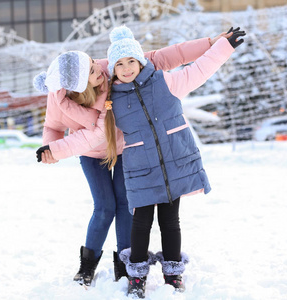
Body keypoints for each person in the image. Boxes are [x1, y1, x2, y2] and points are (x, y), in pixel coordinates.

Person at [33, 30, 233, 286]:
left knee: (128, 204)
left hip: (125, 148)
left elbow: (165, 57)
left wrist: (209, 44)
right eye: (93, 70)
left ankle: (123, 263)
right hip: (90, 153)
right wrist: (50, 149)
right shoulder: (60, 99)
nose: (101, 70)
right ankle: (87, 265)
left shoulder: (110, 69)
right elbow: (53, 127)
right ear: (79, 85)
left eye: (96, 63)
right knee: (104, 207)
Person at [102, 25, 245, 298]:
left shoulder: (164, 82)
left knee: (170, 221)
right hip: (140, 170)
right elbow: (94, 130)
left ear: (141, 60)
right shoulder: (112, 100)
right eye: (119, 64)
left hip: (172, 165)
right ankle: (136, 278)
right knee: (141, 223)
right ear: (113, 69)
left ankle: (173, 274)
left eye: (131, 60)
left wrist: (222, 46)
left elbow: (198, 69)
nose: (126, 67)